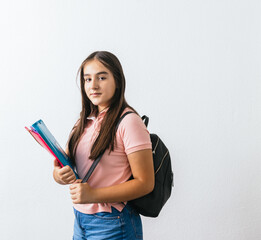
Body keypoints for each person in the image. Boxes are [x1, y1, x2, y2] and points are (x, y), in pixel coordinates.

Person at [53, 51, 154, 240]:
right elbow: (62, 167)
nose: (94, 85)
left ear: (117, 80)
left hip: (113, 222)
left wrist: (93, 195)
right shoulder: (84, 122)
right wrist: (59, 175)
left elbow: (145, 183)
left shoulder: (128, 121)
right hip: (81, 218)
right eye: (87, 79)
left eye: (101, 77)